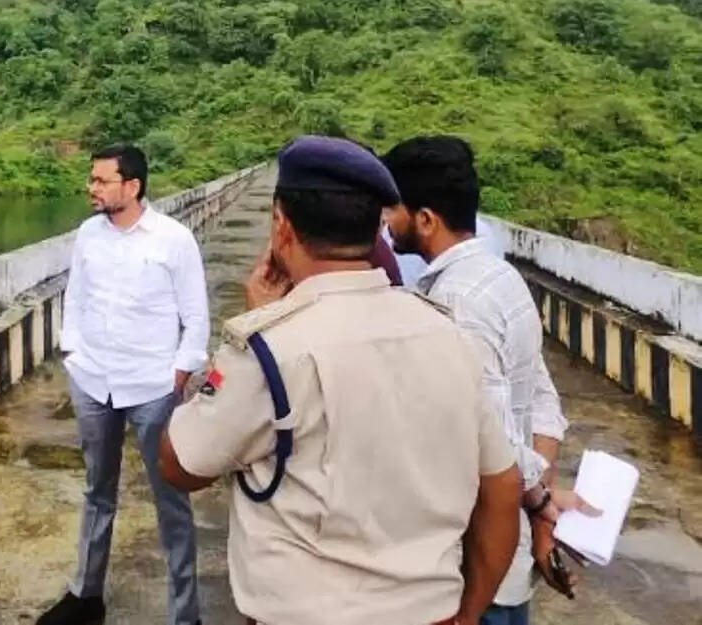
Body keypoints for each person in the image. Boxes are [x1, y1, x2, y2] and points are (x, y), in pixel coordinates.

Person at [159, 135, 524, 625]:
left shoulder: (270, 352)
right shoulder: (447, 333)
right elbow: (502, 490)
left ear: (281, 226)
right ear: (376, 226)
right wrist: (468, 613)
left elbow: (180, 465)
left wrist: (255, 332)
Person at [382, 136, 596, 625]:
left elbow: (494, 438)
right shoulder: (501, 279)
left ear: (426, 219)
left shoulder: (457, 304)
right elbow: (542, 402)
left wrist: (540, 502)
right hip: (509, 559)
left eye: (392, 210)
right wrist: (539, 511)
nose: (385, 222)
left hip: (473, 569)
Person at [38, 145, 209, 625]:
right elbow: (76, 298)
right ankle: (86, 595)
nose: (91, 188)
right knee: (97, 490)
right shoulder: (88, 235)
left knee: (171, 499)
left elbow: (195, 317)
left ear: (131, 186)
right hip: (93, 381)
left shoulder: (174, 240)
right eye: (91, 179)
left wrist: (179, 374)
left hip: (153, 387)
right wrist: (72, 352)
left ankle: (185, 614)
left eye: (100, 180)